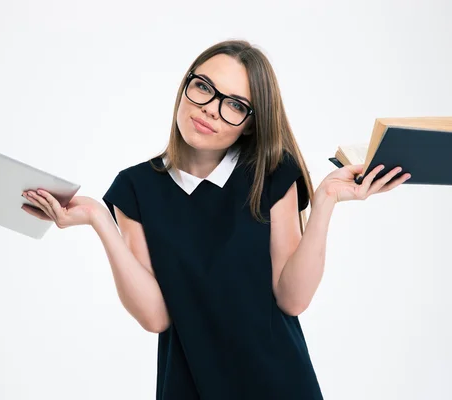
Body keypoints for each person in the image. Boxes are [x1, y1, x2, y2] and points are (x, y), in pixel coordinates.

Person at [21, 39, 410, 399]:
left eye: (236, 105)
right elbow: (156, 317)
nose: (210, 108)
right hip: (189, 388)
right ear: (186, 85)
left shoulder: (272, 173)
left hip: (280, 384)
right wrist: (98, 219)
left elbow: (293, 299)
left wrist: (324, 201)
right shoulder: (135, 187)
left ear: (250, 123)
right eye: (204, 87)